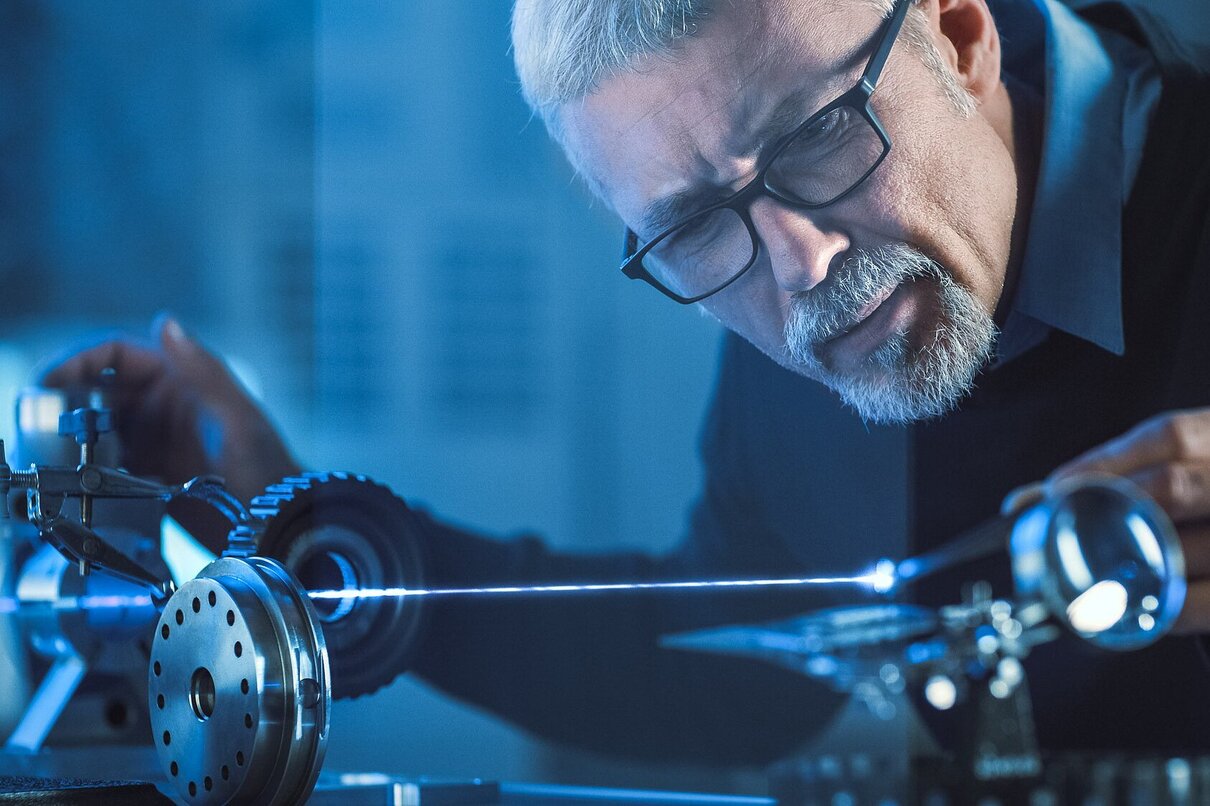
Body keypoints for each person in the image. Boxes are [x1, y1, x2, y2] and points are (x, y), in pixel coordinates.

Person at [43, 0, 1210, 764]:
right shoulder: (812, 315)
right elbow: (737, 664)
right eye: (699, 225)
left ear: (959, 36)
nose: (802, 268)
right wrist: (296, 519)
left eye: (816, 139)